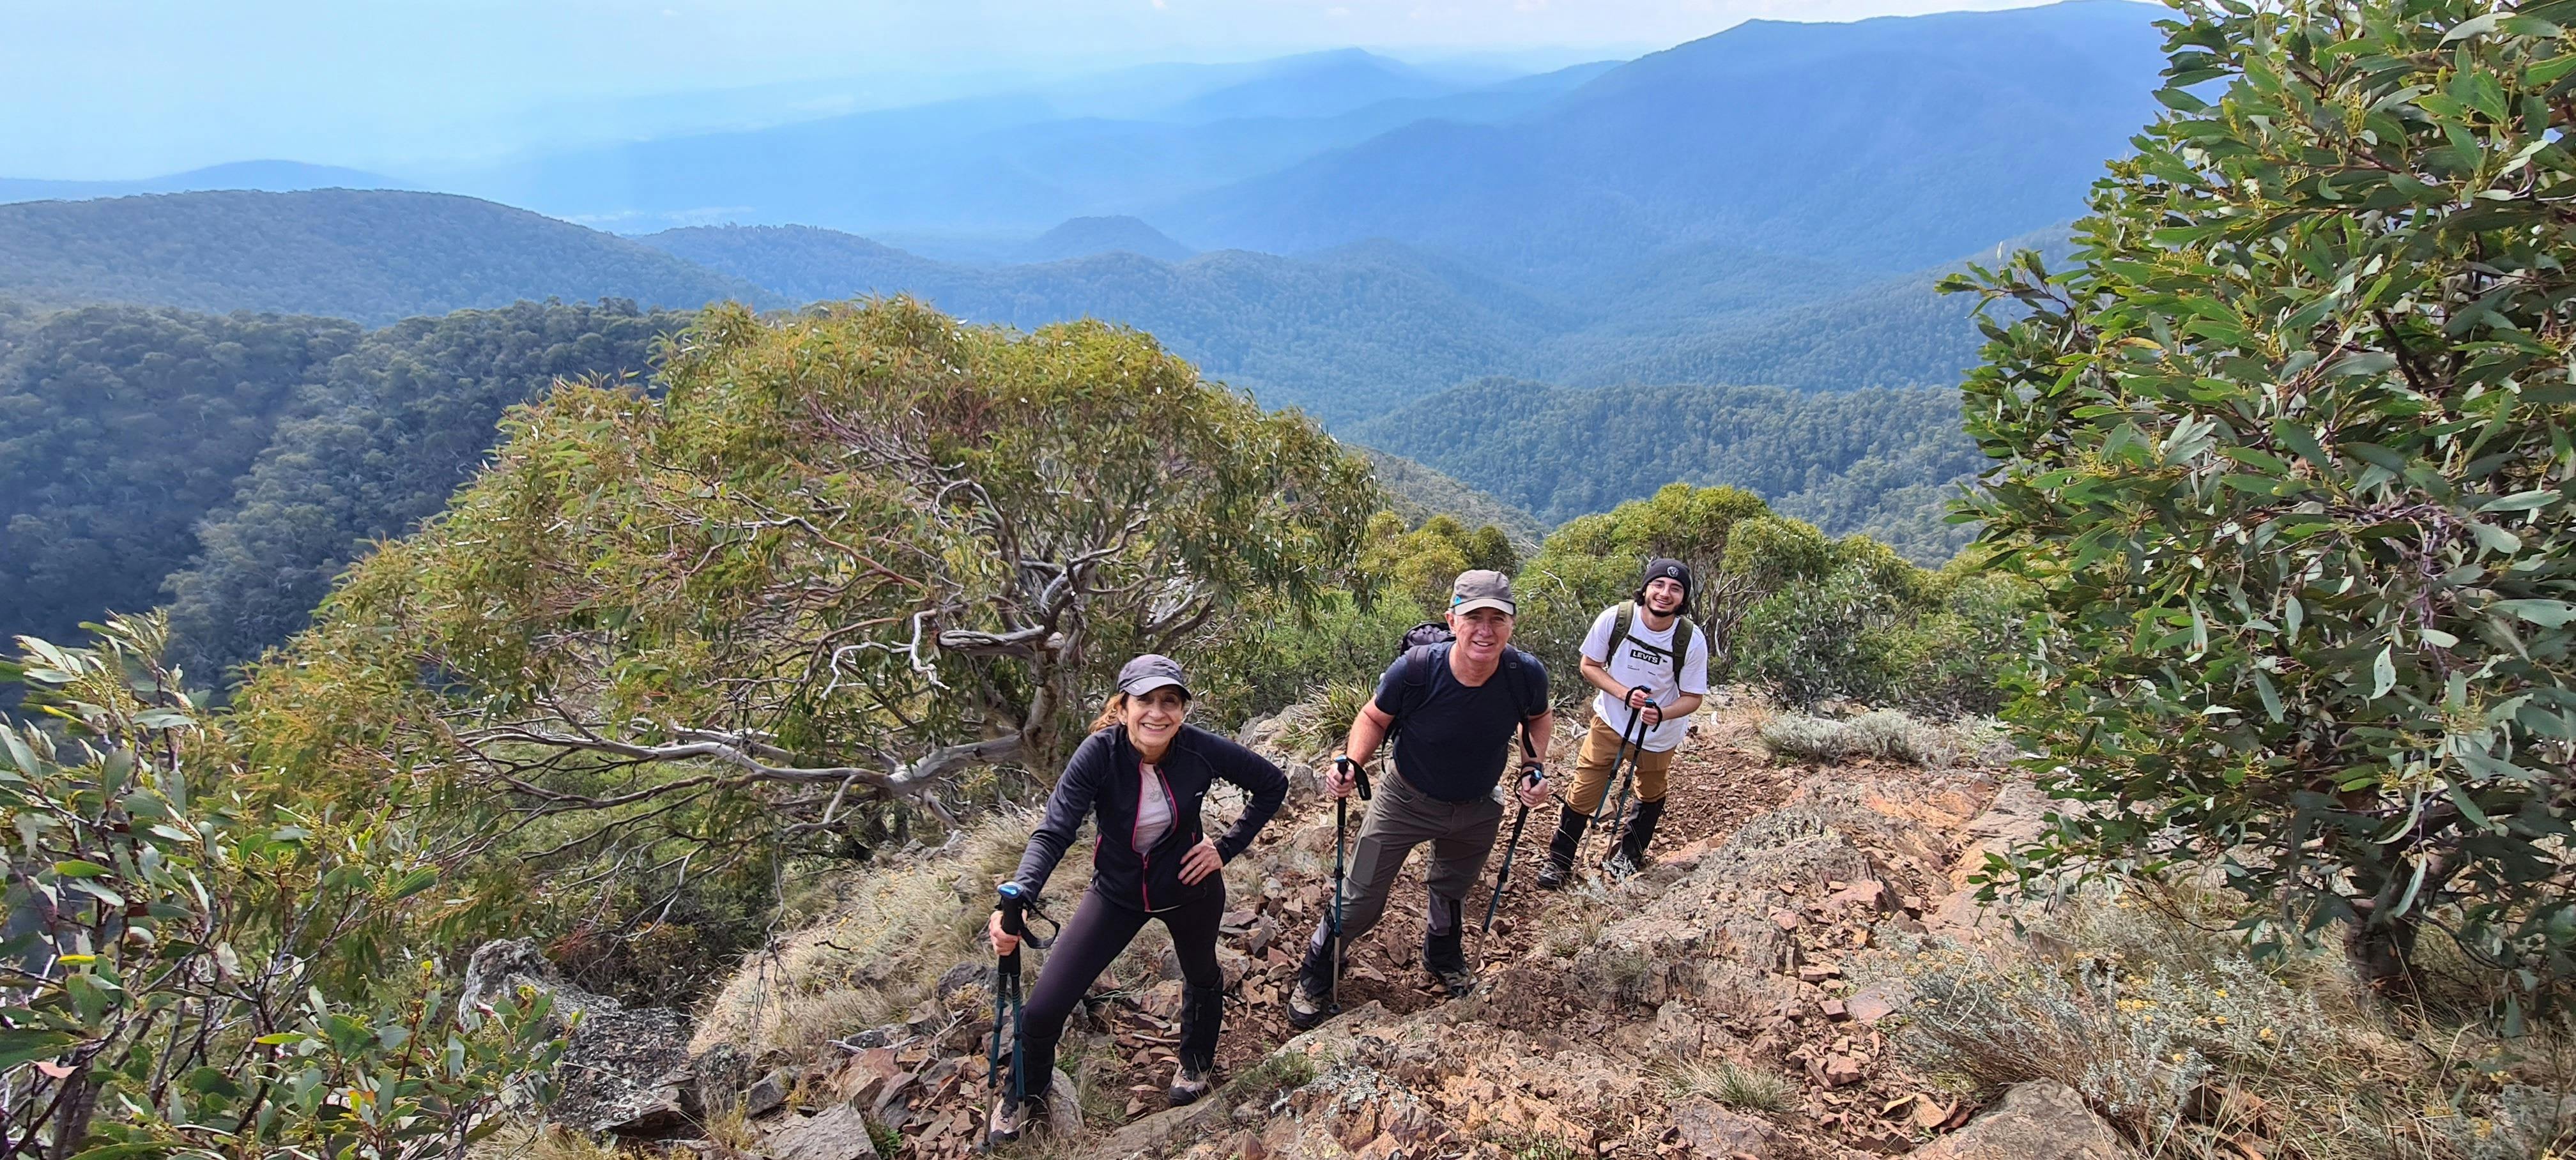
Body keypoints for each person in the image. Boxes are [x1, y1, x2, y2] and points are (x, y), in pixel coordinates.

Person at [986, 654, 1288, 1141]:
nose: (1157, 712)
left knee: (1202, 973)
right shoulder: (1098, 754)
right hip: (1117, 893)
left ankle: (1195, 1062)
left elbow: (1272, 784)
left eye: (1170, 701)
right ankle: (1026, 1090)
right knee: (1043, 1008)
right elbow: (1055, 830)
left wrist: (1225, 848)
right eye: (1145, 700)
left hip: (1190, 888)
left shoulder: (1199, 750)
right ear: (1122, 708)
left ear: (1183, 711)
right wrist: (1019, 895)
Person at [1285, 569, 1553, 1029]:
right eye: (1474, 618)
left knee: (1452, 887)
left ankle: (1443, 955)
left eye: (1497, 619)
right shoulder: (1417, 670)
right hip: (1405, 799)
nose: (1485, 631)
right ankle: (1317, 969)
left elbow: (1538, 719)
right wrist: (1351, 761)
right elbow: (1373, 716)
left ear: (1512, 624)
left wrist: (1534, 767)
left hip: (1478, 806)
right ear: (1453, 621)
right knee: (1362, 897)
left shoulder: (1523, 674)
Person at [1537, 558, 1710, 887]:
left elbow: (1693, 696)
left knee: (1651, 790)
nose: (1664, 593)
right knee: (1585, 787)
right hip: (1610, 721)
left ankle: (1629, 854)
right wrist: (1624, 693)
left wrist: (1662, 713)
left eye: (1675, 589)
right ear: (1645, 588)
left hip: (1659, 733)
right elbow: (1589, 665)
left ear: (1683, 599)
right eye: (1658, 585)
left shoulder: (1691, 639)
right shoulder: (1617, 619)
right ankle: (1559, 862)